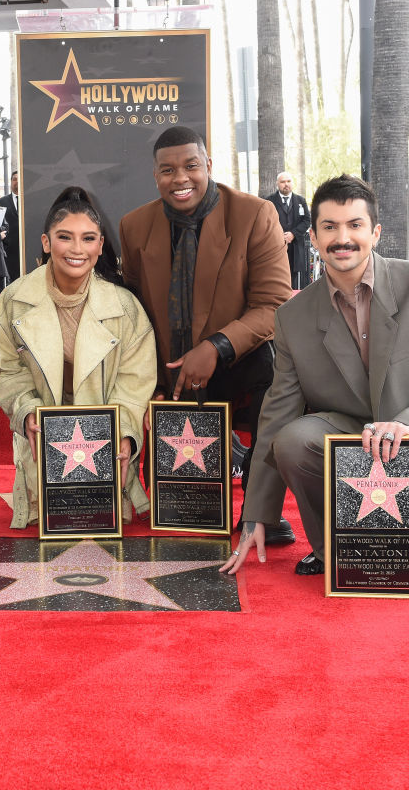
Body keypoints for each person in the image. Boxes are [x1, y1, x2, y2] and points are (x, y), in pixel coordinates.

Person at [222, 174, 409, 576]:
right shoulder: (292, 317)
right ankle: (333, 544)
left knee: (400, 565)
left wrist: (407, 424)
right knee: (293, 440)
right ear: (312, 236)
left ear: (375, 232)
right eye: (329, 227)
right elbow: (277, 414)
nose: (342, 238)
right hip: (348, 436)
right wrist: (257, 514)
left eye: (354, 225)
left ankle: (376, 538)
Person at [118, 125, 296, 545]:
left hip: (235, 359)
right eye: (167, 170)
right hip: (169, 369)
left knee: (276, 374)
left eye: (191, 166)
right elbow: (134, 311)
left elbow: (274, 306)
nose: (180, 178)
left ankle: (260, 510)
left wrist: (216, 347)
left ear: (209, 166)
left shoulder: (254, 214)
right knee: (180, 515)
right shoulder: (134, 225)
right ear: (156, 176)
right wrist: (153, 383)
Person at [0, 187, 157, 528]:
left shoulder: (125, 307)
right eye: (65, 237)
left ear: (100, 245)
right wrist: (27, 410)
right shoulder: (13, 301)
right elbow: (6, 371)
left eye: (88, 238)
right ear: (47, 243)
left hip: (106, 449)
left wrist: (123, 431)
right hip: (41, 440)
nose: (77, 249)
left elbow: (135, 382)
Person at [265, 171, 312, 290]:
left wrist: (293, 234)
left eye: (288, 181)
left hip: (295, 247)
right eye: (283, 182)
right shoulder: (269, 201)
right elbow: (266, 222)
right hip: (277, 246)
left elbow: (307, 220)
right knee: (278, 276)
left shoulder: (300, 201)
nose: (286, 184)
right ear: (277, 184)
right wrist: (279, 235)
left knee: (295, 280)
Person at [0, 170, 21, 282]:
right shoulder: (0, 203)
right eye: (14, 179)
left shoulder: (30, 201)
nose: (16, 181)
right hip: (9, 253)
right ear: (11, 182)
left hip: (27, 250)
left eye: (19, 178)